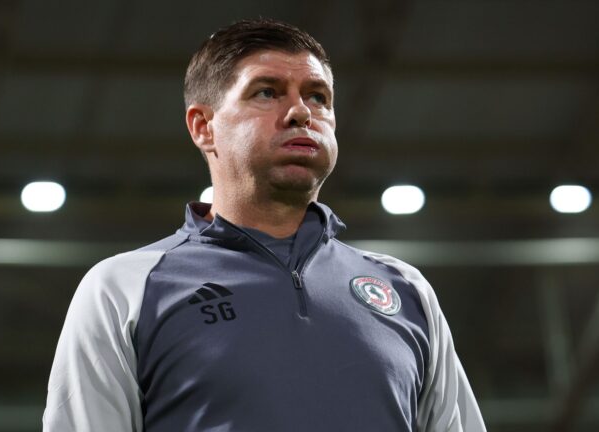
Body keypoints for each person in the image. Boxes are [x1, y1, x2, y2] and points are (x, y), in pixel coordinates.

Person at [43, 18, 486, 432]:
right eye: (267, 92)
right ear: (203, 127)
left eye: (318, 96)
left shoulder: (406, 290)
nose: (301, 112)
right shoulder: (123, 289)